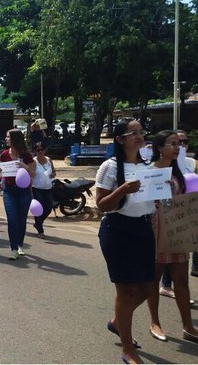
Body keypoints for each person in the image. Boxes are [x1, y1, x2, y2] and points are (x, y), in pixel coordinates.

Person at [95, 119, 154, 364]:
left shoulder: (148, 164)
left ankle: (117, 321)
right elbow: (101, 205)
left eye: (142, 132)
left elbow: (151, 195)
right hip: (117, 231)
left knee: (148, 289)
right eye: (133, 133)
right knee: (126, 290)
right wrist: (122, 190)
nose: (139, 136)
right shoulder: (110, 167)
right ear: (120, 139)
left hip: (143, 228)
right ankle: (128, 349)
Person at [146, 130, 198, 344]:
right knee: (153, 280)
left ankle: (188, 325)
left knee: (182, 281)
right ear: (159, 148)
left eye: (180, 143)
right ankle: (155, 322)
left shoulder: (179, 171)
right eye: (172, 144)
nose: (178, 147)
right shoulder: (149, 171)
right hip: (155, 232)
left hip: (177, 232)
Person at [160, 129, 198, 299]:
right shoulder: (161, 165)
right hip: (165, 219)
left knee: (181, 261)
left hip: (187, 215)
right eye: (175, 142)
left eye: (184, 142)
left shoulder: (192, 162)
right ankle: (166, 285)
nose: (180, 146)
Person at [0, 128, 35, 260]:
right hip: (9, 190)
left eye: (8, 137)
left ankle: (19, 244)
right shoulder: (4, 154)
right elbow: (2, 173)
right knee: (12, 219)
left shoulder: (26, 154)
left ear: (14, 139)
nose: (6, 139)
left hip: (24, 191)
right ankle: (13, 248)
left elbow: (32, 174)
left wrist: (25, 166)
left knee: (21, 219)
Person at [31, 141, 55, 238]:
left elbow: (54, 172)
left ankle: (38, 223)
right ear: (35, 151)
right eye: (38, 150)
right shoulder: (34, 161)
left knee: (49, 208)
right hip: (37, 188)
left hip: (48, 187)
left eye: (42, 149)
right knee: (38, 210)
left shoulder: (49, 160)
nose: (40, 152)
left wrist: (53, 174)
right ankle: (40, 230)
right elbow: (31, 175)